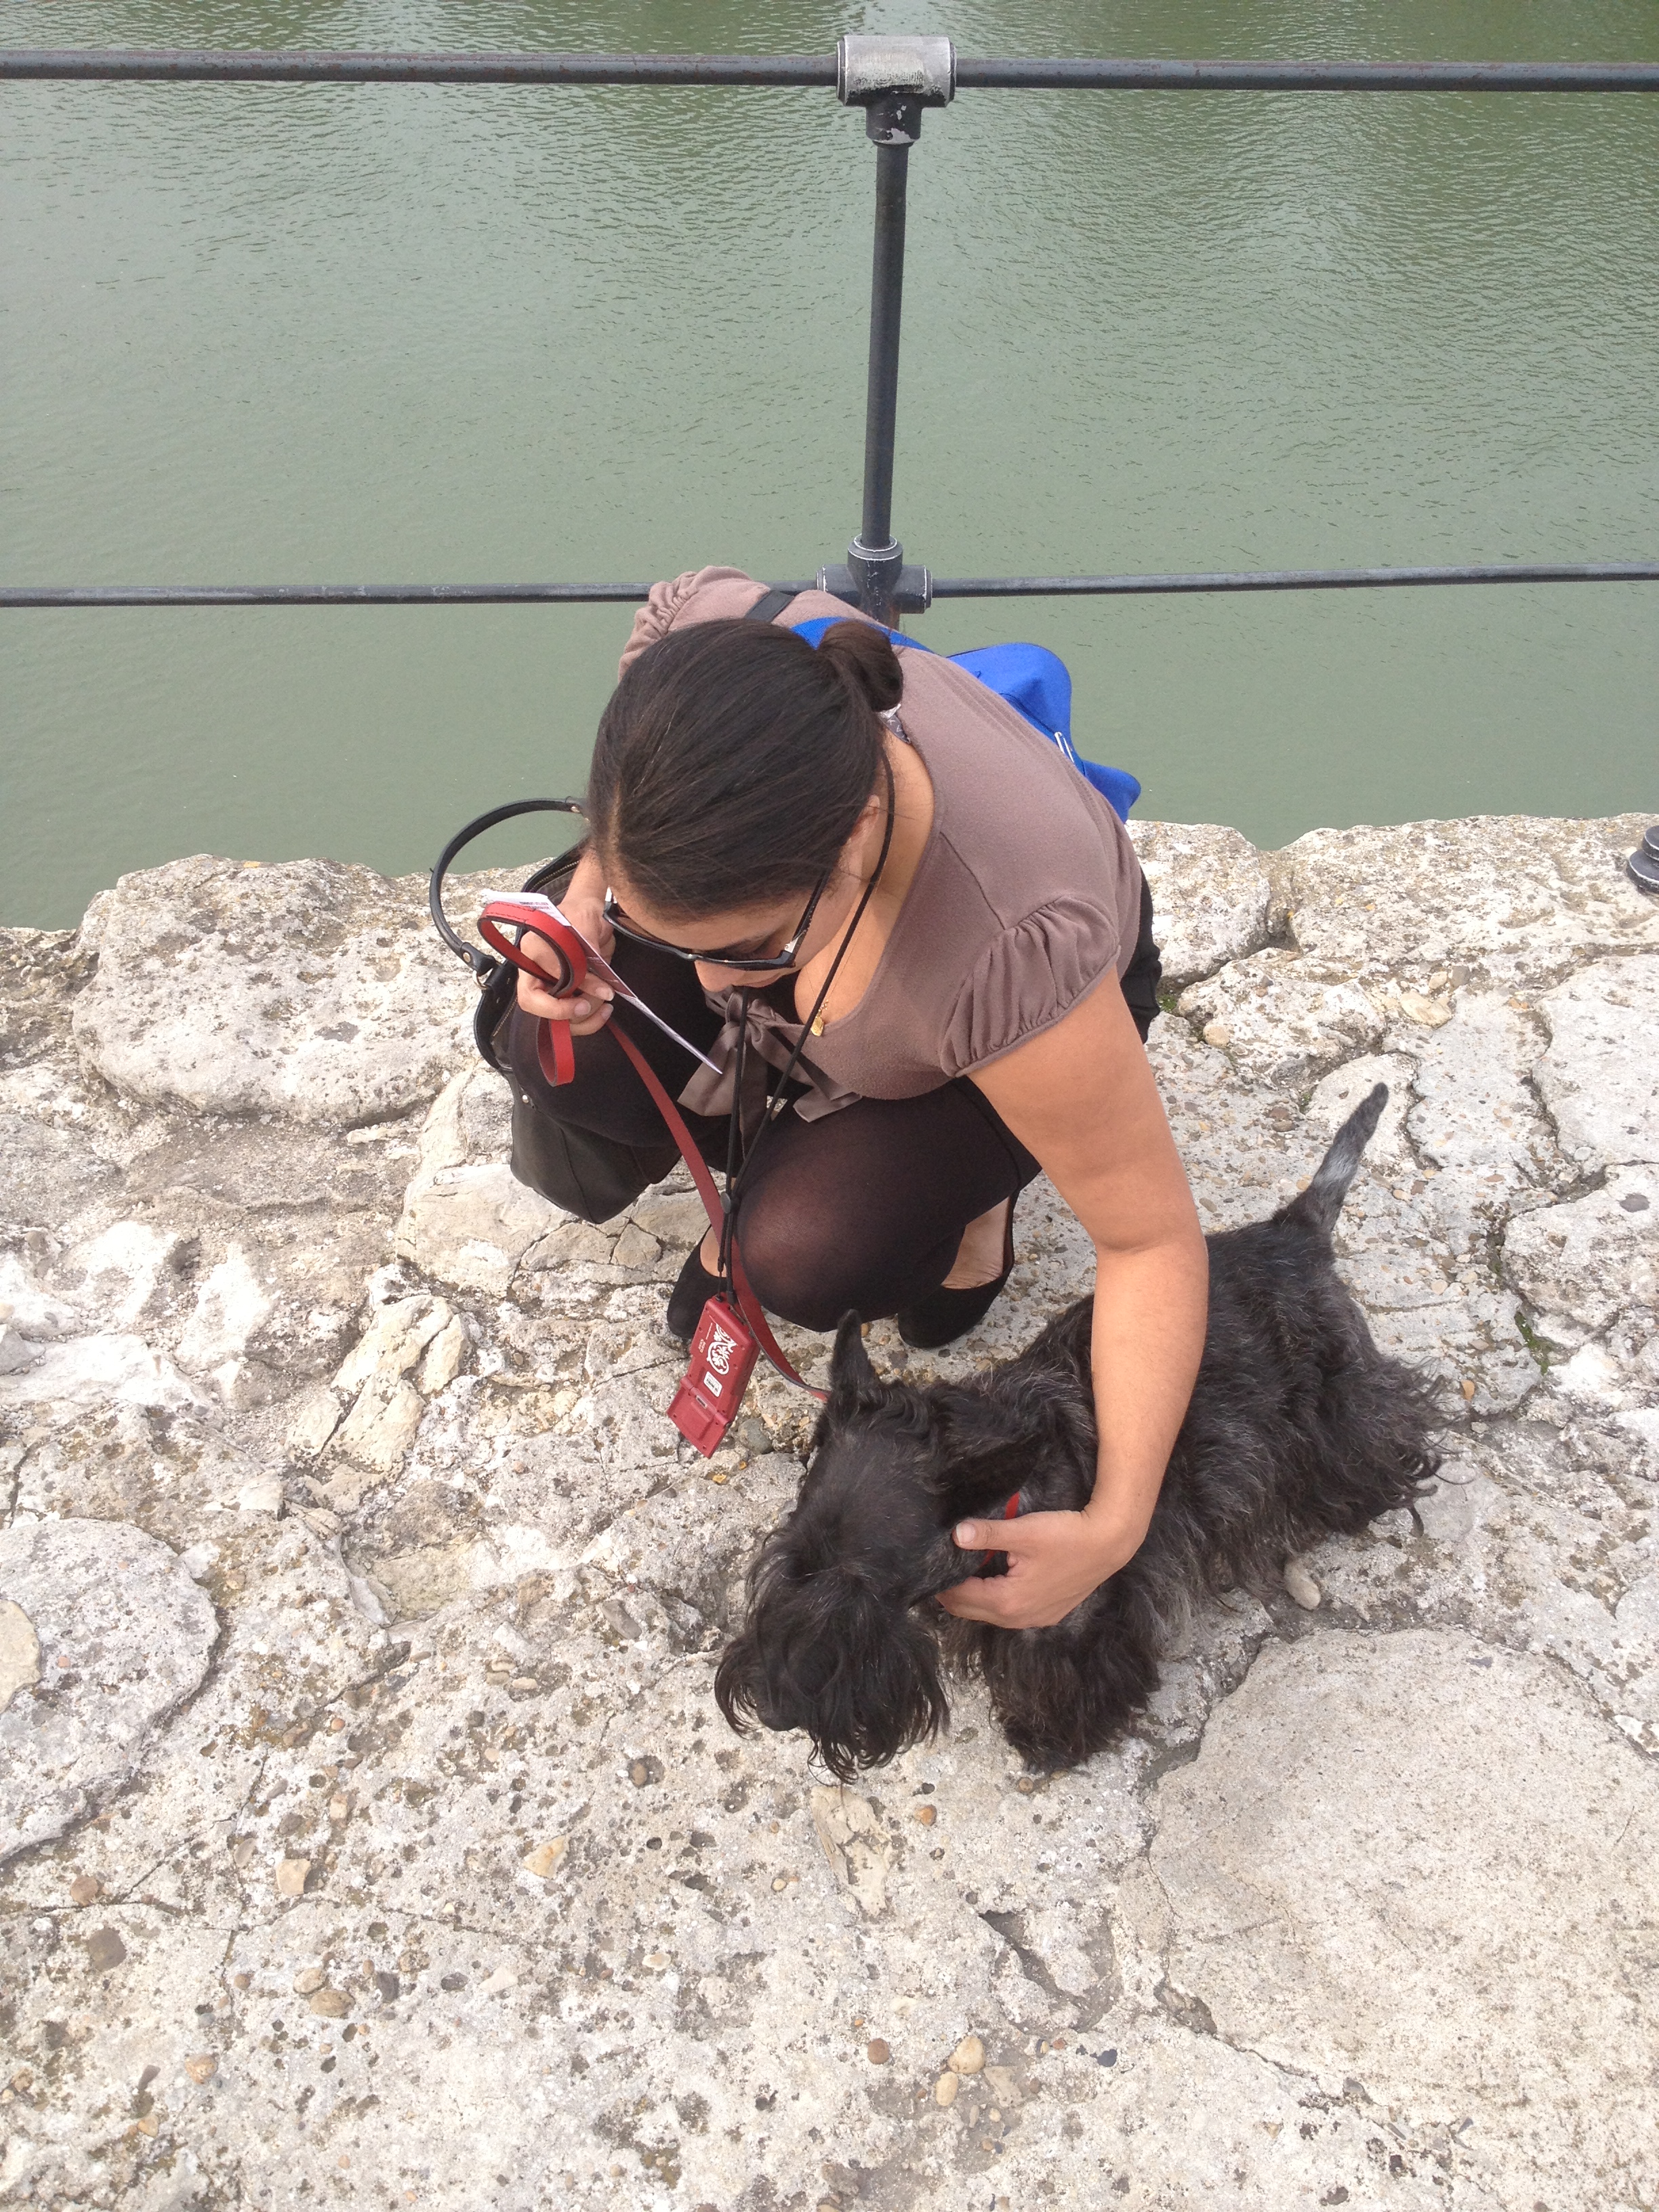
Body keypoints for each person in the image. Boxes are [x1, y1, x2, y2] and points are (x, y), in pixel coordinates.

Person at [502, 567, 1209, 1629]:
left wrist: (1115, 1526)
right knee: (547, 1042)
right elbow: (664, 645)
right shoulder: (720, 648)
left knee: (811, 1254)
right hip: (845, 953)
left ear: (856, 828)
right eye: (674, 942)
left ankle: (982, 1193)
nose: (707, 985)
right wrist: (599, 903)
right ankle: (787, 1082)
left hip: (988, 1019)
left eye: (748, 950)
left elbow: (1151, 1240)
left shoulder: (1013, 943)